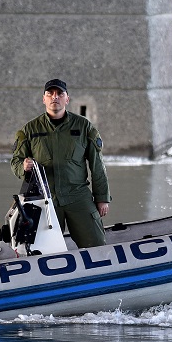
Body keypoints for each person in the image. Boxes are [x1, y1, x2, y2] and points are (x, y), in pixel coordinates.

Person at [10, 79, 111, 248]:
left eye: (59, 94)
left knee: (96, 245)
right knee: (41, 250)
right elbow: (15, 162)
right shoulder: (29, 130)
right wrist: (23, 166)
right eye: (50, 94)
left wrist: (102, 198)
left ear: (67, 99)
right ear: (44, 99)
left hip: (77, 196)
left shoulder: (84, 126)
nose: (54, 97)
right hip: (45, 199)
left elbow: (97, 165)